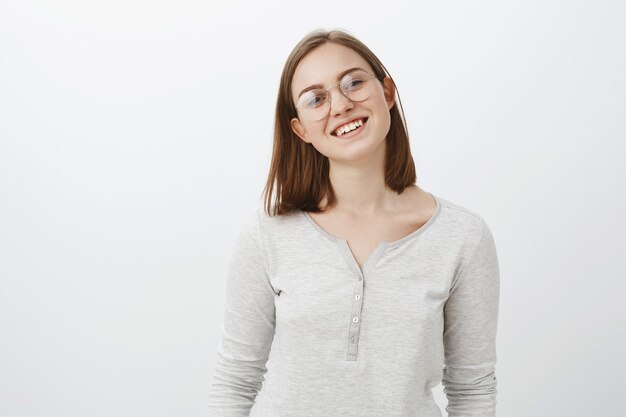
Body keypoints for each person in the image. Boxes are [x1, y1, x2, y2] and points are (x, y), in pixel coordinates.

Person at [208, 28, 500, 417]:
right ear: (301, 130)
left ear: (388, 93)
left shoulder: (462, 237)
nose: (341, 105)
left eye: (354, 83)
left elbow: (472, 391)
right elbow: (235, 380)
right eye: (316, 99)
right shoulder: (268, 232)